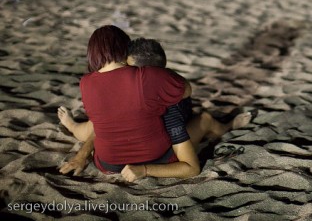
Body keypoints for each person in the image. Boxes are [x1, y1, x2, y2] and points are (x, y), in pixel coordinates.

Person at [58, 28, 252, 181]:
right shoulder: (148, 76)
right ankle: (226, 127)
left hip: (108, 163)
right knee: (203, 118)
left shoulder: (86, 82)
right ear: (125, 48)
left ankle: (71, 125)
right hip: (158, 158)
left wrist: (82, 155)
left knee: (101, 123)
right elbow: (186, 90)